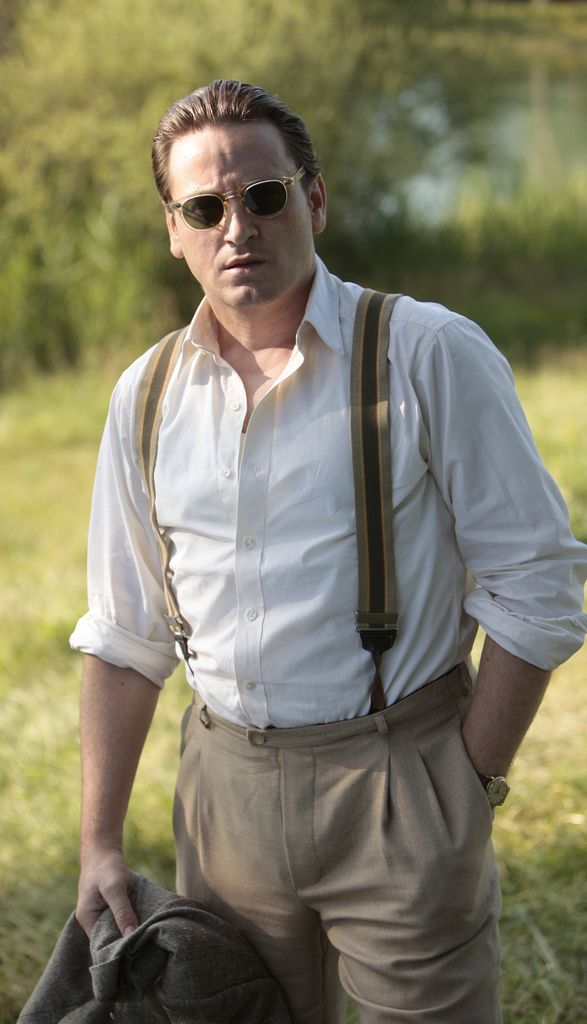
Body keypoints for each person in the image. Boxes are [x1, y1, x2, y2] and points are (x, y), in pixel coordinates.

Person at [71, 79, 587, 1024]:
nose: (238, 227)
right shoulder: (144, 395)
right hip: (222, 795)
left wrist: (463, 781)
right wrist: (98, 842)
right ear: (174, 230)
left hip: (401, 779)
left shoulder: (426, 351)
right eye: (204, 208)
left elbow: (538, 585)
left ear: (313, 199)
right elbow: (122, 632)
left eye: (263, 195)